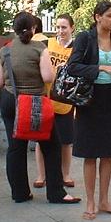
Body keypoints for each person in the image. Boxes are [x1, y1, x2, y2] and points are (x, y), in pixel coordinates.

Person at [0, 12, 81, 205]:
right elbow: (48, 77)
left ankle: (20, 193)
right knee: (52, 146)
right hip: (35, 104)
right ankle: (56, 193)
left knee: (15, 148)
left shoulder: (4, 51)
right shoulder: (40, 48)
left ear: (14, 29)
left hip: (11, 102)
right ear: (34, 29)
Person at [67, 1, 111, 220]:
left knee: (108, 153)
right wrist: (101, 68)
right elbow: (73, 66)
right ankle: (91, 201)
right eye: (110, 15)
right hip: (89, 100)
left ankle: (105, 200)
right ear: (97, 17)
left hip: (110, 100)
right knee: (90, 153)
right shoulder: (85, 38)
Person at [33, 13, 76, 189]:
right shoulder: (46, 44)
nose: (60, 31)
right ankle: (41, 175)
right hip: (45, 97)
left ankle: (65, 175)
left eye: (64, 27)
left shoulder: (76, 48)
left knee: (66, 140)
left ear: (72, 28)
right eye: (58, 27)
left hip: (65, 100)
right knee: (40, 139)